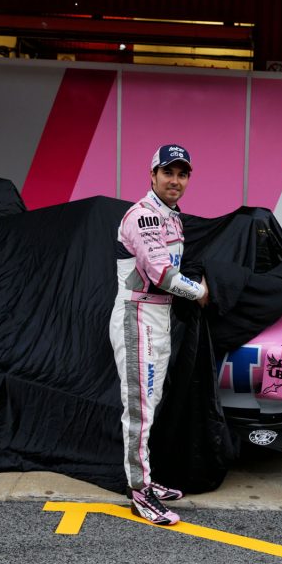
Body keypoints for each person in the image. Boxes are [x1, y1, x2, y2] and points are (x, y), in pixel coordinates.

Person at [110, 144, 209, 526]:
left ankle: (147, 479)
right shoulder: (144, 217)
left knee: (151, 404)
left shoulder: (172, 218)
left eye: (183, 174)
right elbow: (162, 275)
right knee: (139, 409)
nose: (176, 180)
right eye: (169, 172)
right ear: (152, 175)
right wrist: (200, 291)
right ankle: (140, 492)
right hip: (137, 316)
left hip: (159, 317)